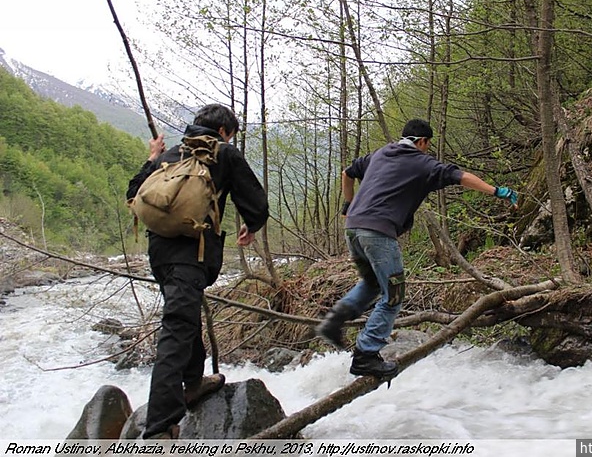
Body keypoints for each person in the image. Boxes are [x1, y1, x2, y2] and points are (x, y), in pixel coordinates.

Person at [316, 118, 517, 378]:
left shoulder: (380, 154)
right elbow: (461, 176)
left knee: (373, 283)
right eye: (427, 145)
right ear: (421, 142)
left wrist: (348, 206)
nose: (427, 150)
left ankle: (334, 322)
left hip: (353, 229)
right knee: (394, 295)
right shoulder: (421, 162)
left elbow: (347, 173)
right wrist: (497, 191)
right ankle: (365, 355)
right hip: (378, 232)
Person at [126, 104, 269, 439]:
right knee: (177, 328)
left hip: (160, 255)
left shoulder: (170, 155)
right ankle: (159, 426)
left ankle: (192, 385)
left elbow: (133, 193)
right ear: (223, 132)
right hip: (192, 256)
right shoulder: (224, 153)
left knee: (184, 318)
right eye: (230, 134)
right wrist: (252, 225)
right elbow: (257, 203)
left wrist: (152, 157)